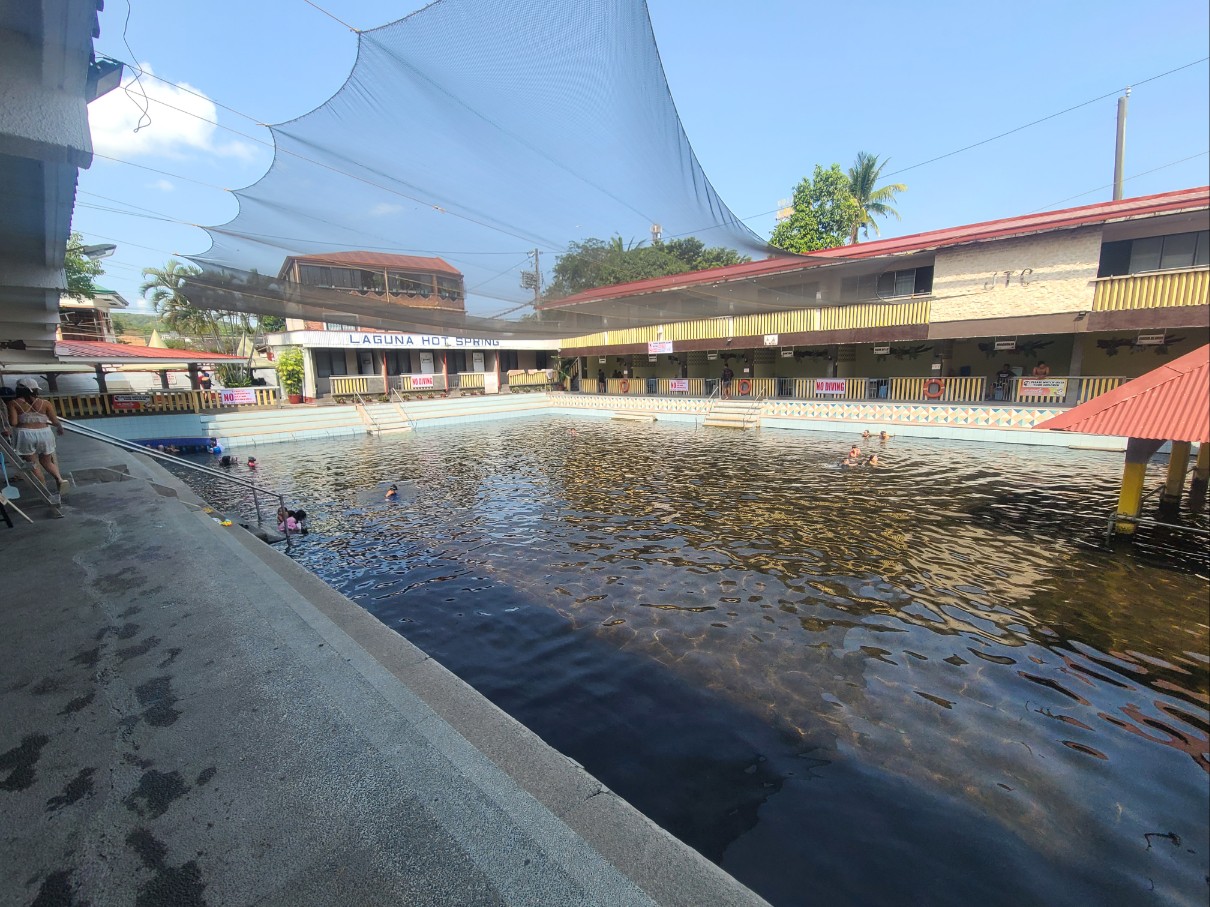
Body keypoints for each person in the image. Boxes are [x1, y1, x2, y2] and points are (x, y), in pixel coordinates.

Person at [6, 383, 67, 494]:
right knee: (47, 461)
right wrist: (60, 427)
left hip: (26, 435)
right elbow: (54, 421)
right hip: (45, 433)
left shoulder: (13, 403)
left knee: (33, 464)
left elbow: (13, 422)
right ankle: (60, 479)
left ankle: (44, 490)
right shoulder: (45, 403)